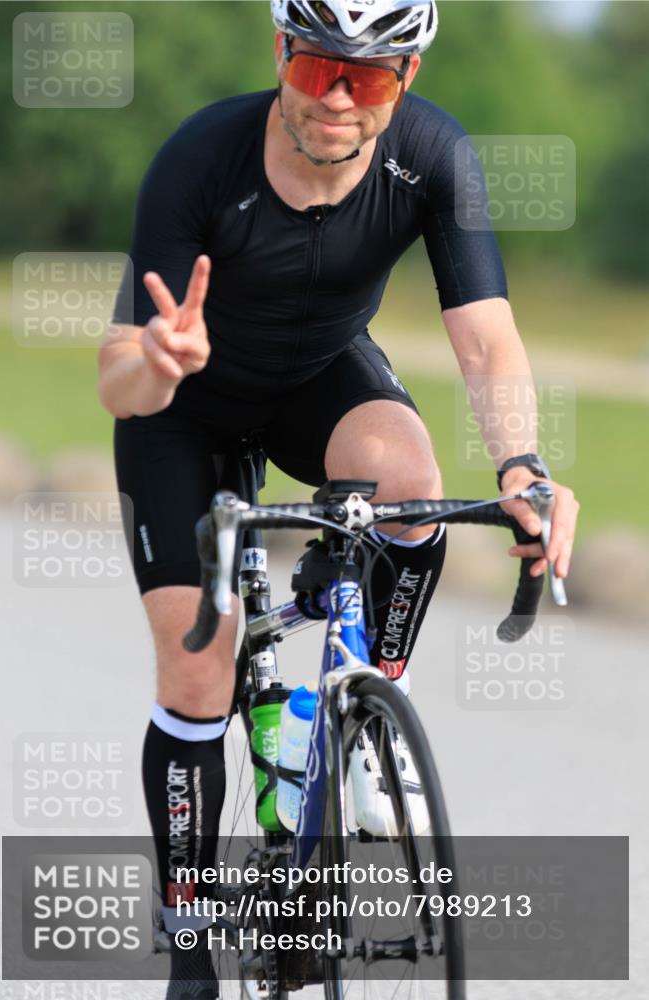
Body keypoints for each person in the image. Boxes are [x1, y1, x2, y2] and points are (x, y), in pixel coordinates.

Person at [98, 2, 579, 996]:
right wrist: (157, 359)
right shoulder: (202, 158)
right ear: (281, 53)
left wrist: (523, 468)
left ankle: (365, 716)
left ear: (406, 79)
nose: (337, 99)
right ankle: (189, 946)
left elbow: (485, 336)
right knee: (197, 672)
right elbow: (117, 381)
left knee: (410, 483)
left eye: (369, 77)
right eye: (319, 68)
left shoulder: (433, 156)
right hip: (181, 411)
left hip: (315, 380)